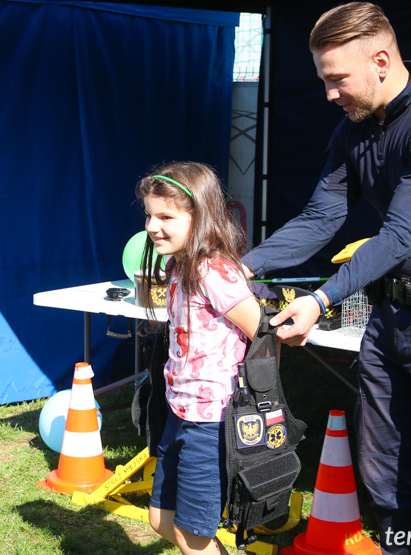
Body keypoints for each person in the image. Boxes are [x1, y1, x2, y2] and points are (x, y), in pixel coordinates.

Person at [241, 2, 411, 555]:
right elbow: (320, 217)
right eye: (323, 80)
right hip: (390, 320)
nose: (329, 94)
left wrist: (320, 299)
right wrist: (240, 267)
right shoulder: (355, 130)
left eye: (337, 79)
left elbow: (399, 236)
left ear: (382, 61)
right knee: (384, 478)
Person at [137, 163, 262, 555]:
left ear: (200, 216)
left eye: (165, 217)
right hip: (180, 413)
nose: (152, 226)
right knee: (162, 521)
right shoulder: (179, 267)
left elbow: (262, 333)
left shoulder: (214, 271)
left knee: (193, 540)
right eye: (149, 215)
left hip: (212, 422)